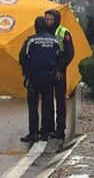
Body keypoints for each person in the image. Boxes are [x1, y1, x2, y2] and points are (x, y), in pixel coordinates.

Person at [19, 16, 60, 143]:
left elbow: (22, 56)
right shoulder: (55, 41)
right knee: (47, 104)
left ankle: (33, 133)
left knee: (33, 105)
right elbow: (59, 57)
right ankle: (46, 132)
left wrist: (26, 70)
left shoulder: (31, 41)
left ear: (36, 27)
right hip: (49, 76)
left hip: (34, 76)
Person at [44, 9, 74, 140]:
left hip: (59, 72)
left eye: (51, 19)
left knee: (60, 100)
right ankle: (48, 127)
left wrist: (60, 69)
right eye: (47, 19)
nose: (49, 22)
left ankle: (60, 129)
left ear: (57, 20)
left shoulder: (64, 32)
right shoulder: (43, 31)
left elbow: (70, 53)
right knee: (47, 99)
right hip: (47, 70)